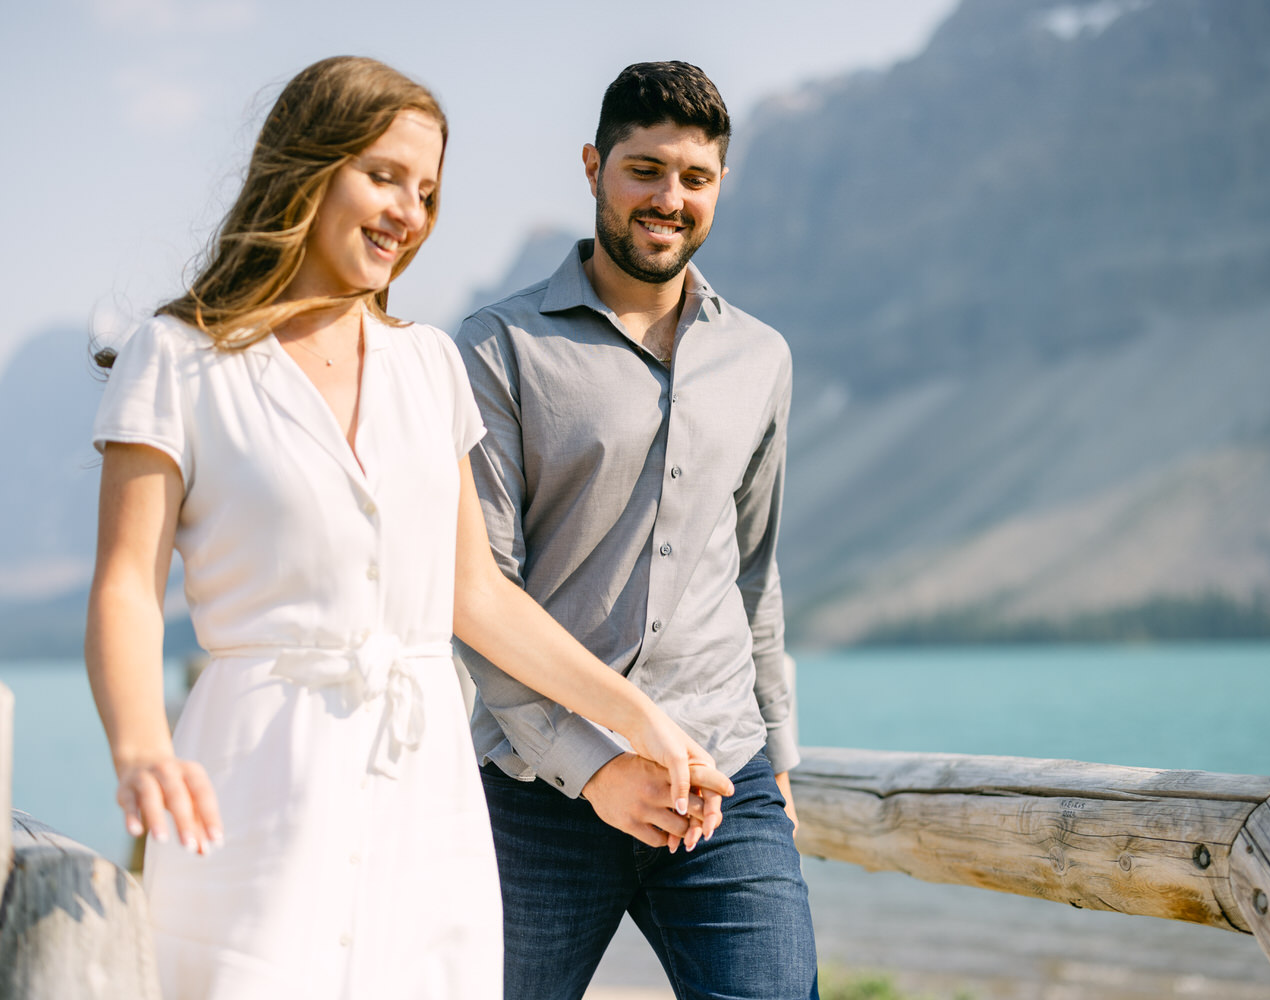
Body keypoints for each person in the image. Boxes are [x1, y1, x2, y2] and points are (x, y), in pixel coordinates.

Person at [84, 55, 731, 1000]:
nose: (408, 212)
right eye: (383, 175)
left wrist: (641, 721)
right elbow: (124, 590)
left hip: (424, 790)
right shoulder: (177, 358)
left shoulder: (428, 364)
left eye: (426, 191)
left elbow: (474, 598)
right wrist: (140, 747)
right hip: (255, 776)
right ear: (306, 166)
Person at [454, 61, 818, 1000]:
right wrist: (597, 767)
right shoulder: (497, 349)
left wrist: (776, 757)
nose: (669, 198)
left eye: (694, 178)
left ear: (720, 187)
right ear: (593, 167)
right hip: (539, 793)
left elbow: (754, 572)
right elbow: (478, 593)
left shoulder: (760, 357)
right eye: (644, 170)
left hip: (717, 783)